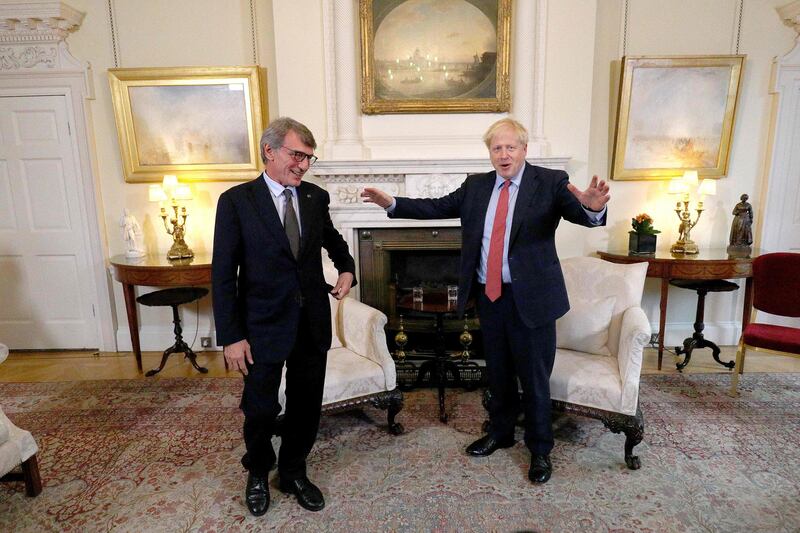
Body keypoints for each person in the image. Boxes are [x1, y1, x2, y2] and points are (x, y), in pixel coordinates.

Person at [361, 117, 609, 484]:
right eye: (497, 148)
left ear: (524, 149)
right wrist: (393, 203)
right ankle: (501, 432)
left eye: (511, 147)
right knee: (497, 372)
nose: (504, 154)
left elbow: (582, 214)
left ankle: (540, 449)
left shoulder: (550, 182)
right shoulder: (476, 186)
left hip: (532, 299)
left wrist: (591, 207)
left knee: (535, 378)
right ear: (489, 153)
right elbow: (435, 207)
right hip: (490, 296)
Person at [212, 117, 356, 517]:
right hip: (260, 327)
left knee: (306, 405)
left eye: (309, 158)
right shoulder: (236, 202)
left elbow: (334, 241)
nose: (303, 165)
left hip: (311, 323)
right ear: (269, 151)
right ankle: (258, 470)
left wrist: (347, 268)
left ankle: (293, 471)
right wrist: (231, 336)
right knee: (259, 408)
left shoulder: (314, 198)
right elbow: (223, 275)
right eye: (297, 155)